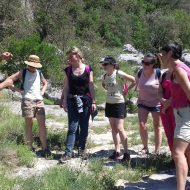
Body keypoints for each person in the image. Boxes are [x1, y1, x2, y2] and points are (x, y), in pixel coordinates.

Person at [0, 55, 50, 156]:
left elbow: (45, 83)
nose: (32, 67)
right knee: (29, 125)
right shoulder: (23, 72)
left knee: (42, 125)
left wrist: (42, 92)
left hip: (39, 101)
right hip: (27, 101)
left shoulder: (39, 73)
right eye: (31, 65)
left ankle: (45, 148)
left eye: (34, 66)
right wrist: (18, 90)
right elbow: (9, 81)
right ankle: (29, 147)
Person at [160, 42, 190, 190]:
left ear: (170, 53)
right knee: (187, 152)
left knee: (177, 153)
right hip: (180, 114)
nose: (160, 56)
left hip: (186, 115)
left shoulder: (179, 70)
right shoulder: (174, 70)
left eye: (163, 53)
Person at [59, 46, 96, 163]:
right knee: (72, 127)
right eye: (68, 57)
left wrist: (94, 101)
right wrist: (64, 100)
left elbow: (91, 85)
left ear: (78, 56)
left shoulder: (88, 69)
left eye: (71, 57)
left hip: (85, 101)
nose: (69, 59)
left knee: (84, 126)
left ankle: (82, 149)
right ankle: (68, 152)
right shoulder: (68, 70)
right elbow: (66, 86)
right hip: (72, 101)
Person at [101, 56, 135, 161]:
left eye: (106, 64)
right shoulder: (105, 76)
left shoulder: (118, 74)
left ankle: (126, 153)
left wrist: (126, 90)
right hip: (109, 103)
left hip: (119, 103)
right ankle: (117, 151)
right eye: (103, 64)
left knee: (120, 128)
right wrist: (108, 90)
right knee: (113, 128)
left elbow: (134, 80)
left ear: (113, 65)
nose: (104, 66)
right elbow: (103, 84)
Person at [135, 53, 162, 155]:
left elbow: (164, 88)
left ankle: (157, 150)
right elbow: (136, 82)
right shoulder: (140, 72)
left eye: (147, 63)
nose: (144, 64)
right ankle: (145, 147)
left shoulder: (159, 73)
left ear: (153, 64)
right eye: (143, 62)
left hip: (156, 104)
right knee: (142, 125)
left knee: (157, 126)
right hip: (142, 102)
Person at [160, 69, 175, 152]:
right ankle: (174, 157)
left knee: (179, 135)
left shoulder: (180, 73)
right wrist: (163, 100)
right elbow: (159, 90)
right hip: (164, 109)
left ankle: (184, 158)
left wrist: (167, 104)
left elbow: (182, 91)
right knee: (169, 134)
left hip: (176, 107)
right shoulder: (164, 74)